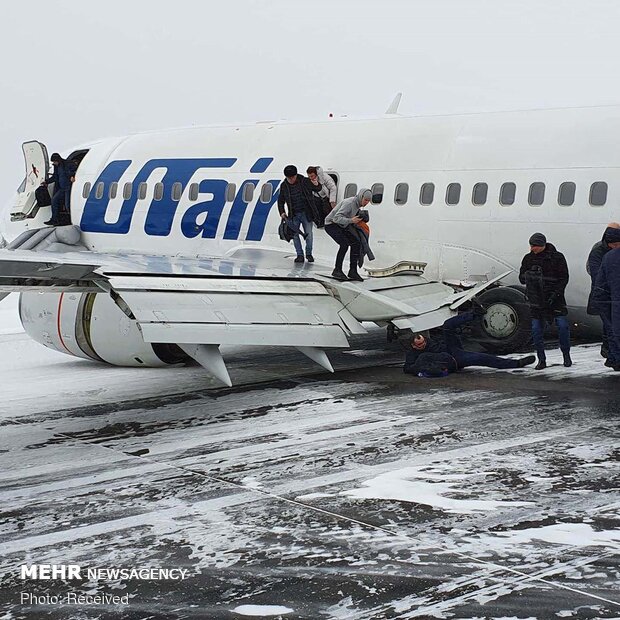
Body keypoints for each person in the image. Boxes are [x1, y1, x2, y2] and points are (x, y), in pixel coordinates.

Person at [403, 309, 535, 377]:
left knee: (448, 325)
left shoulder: (428, 342)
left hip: (451, 349)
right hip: (453, 360)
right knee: (481, 358)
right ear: (413, 346)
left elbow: (442, 342)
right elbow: (408, 368)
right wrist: (427, 369)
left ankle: (475, 314)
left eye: (423, 342)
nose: (423, 345)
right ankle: (517, 363)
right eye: (420, 345)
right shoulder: (413, 355)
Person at [519, 233, 571, 370]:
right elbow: (521, 278)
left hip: (555, 299)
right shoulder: (528, 258)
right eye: (531, 246)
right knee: (536, 330)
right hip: (536, 300)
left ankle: (566, 356)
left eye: (535, 246)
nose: (532, 248)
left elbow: (564, 278)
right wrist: (529, 275)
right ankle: (541, 360)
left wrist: (556, 293)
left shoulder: (557, 257)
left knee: (563, 327)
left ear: (543, 245)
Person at [586, 222, 620, 360]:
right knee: (611, 329)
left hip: (609, 298)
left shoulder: (608, 254)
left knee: (611, 329)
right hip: (607, 298)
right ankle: (613, 356)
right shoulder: (601, 253)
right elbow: (597, 277)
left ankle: (612, 356)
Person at [324, 188, 372, 281]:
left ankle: (352, 271)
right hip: (331, 224)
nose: (366, 203)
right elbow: (336, 218)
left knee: (356, 243)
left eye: (368, 201)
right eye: (365, 200)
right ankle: (337, 270)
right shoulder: (349, 203)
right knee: (344, 244)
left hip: (342, 225)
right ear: (361, 197)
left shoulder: (358, 204)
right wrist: (351, 220)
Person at [277, 165, 315, 263]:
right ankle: (300, 255)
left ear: (296, 175)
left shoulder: (304, 181)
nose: (291, 180)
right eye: (289, 178)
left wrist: (316, 184)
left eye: (293, 177)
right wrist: (282, 212)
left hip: (306, 213)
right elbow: (280, 200)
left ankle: (309, 253)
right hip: (293, 214)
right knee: (294, 235)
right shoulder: (284, 186)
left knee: (309, 234)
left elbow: (317, 188)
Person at [42, 153, 77, 226]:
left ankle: (73, 220)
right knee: (54, 200)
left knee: (68, 205)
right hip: (62, 188)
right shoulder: (56, 167)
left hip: (69, 187)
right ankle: (54, 219)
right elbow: (55, 177)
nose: (54, 163)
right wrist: (46, 182)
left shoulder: (68, 163)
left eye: (54, 161)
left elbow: (76, 170)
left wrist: (73, 176)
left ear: (58, 160)